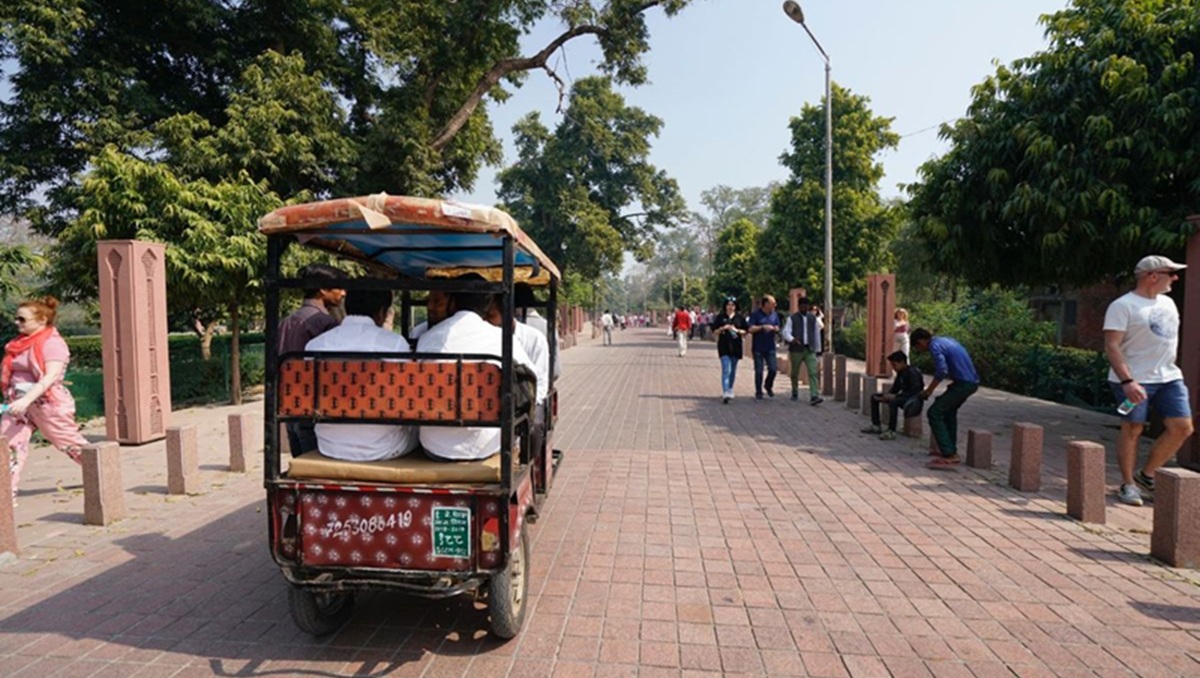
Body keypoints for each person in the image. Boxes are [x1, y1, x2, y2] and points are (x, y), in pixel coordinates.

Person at [1103, 255, 1194, 506]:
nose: (1175, 278)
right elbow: (1112, 346)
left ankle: (1147, 476)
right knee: (1133, 428)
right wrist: (1128, 381)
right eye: (1171, 273)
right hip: (1134, 380)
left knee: (1183, 428)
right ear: (1152, 276)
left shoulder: (1168, 304)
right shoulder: (1123, 306)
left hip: (1169, 377)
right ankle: (1128, 485)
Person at [417, 280, 536, 461]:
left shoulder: (427, 339)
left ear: (453, 302)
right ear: (487, 304)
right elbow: (530, 380)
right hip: (486, 447)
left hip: (434, 447)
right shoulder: (501, 338)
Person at [305, 289, 418, 461]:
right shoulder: (395, 344)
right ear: (381, 312)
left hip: (329, 445)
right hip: (383, 447)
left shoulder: (315, 345)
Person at [1, 297, 92, 503]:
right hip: (17, 404)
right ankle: (6, 495)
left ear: (41, 320)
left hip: (47, 404)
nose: (17, 323)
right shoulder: (17, 344)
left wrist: (27, 399)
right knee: (8, 446)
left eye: (22, 319)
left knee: (71, 445)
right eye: (17, 319)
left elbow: (50, 377)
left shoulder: (53, 344)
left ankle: (102, 470)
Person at [277, 263, 346, 456]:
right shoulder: (326, 323)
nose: (343, 293)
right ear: (323, 290)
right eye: (339, 288)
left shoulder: (286, 322)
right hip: (313, 411)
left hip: (289, 409)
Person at [487, 297, 550, 459]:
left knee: (534, 426)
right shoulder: (486, 337)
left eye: (492, 316)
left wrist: (526, 405)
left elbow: (540, 381)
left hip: (527, 397)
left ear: (508, 314)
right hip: (496, 397)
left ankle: (530, 464)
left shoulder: (534, 338)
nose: (487, 321)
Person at [911, 328, 979, 469]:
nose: (921, 350)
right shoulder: (947, 340)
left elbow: (942, 370)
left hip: (964, 384)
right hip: (969, 382)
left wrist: (928, 391)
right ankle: (948, 449)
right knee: (948, 412)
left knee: (934, 412)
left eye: (918, 347)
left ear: (921, 341)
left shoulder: (934, 346)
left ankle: (950, 454)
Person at [862, 351, 925, 440]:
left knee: (893, 402)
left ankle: (891, 430)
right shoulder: (900, 373)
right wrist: (887, 395)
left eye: (894, 365)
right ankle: (876, 425)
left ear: (902, 362)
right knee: (875, 397)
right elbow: (895, 388)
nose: (893, 368)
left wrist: (895, 396)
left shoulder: (912, 373)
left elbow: (915, 391)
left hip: (913, 399)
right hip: (903, 397)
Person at [781, 297, 824, 406]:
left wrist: (818, 350)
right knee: (794, 373)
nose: (804, 308)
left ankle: (814, 395)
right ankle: (795, 391)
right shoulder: (792, 318)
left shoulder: (812, 318)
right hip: (796, 349)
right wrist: (792, 339)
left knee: (813, 372)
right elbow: (786, 332)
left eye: (806, 306)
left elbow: (816, 334)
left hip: (809, 349)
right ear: (799, 306)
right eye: (802, 306)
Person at [711, 297, 749, 403]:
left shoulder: (740, 318)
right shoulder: (720, 317)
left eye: (732, 304)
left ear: (736, 306)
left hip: (736, 346)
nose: (730, 307)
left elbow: (746, 331)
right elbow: (714, 330)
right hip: (724, 346)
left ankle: (730, 388)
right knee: (725, 368)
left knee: (732, 369)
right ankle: (725, 391)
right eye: (728, 304)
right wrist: (723, 328)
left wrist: (736, 330)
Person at [748, 295, 781, 400]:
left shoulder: (774, 315)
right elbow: (750, 329)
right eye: (772, 303)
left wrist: (775, 328)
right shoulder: (756, 315)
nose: (774, 305)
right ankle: (758, 391)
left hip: (770, 346)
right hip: (758, 347)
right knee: (759, 370)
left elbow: (778, 326)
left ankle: (768, 385)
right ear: (765, 304)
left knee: (773, 369)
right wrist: (762, 327)